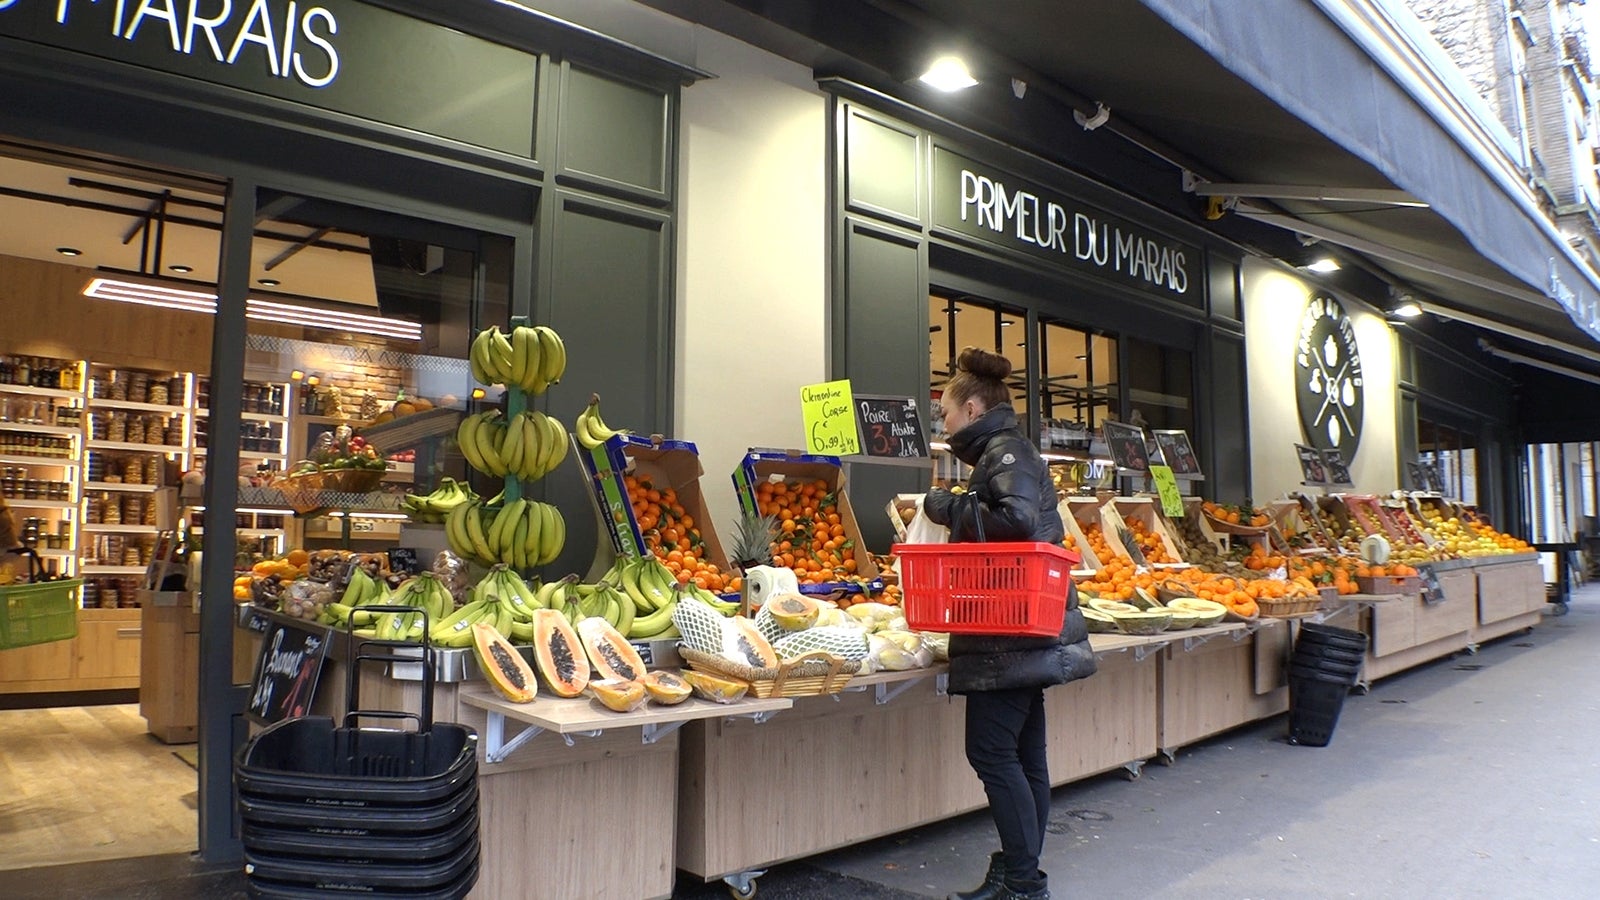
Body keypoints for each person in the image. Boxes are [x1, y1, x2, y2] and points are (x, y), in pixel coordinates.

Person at [923, 347, 1098, 900]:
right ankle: (1018, 867)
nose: (944, 424)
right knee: (1023, 756)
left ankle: (1024, 881)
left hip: (1008, 631)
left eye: (946, 414)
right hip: (1024, 626)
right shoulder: (1005, 453)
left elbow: (1017, 520)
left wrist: (946, 507)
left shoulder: (1004, 454)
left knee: (992, 753)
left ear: (972, 410)